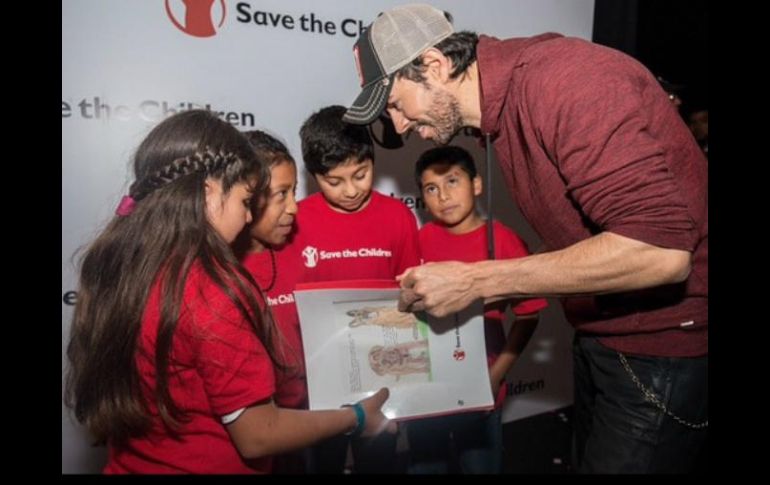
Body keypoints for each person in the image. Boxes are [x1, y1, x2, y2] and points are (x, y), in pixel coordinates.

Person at [342, 4, 707, 474]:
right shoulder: (505, 109)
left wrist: (477, 281)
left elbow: (659, 252)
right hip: (606, 337)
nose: (398, 126)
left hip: (663, 351)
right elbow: (586, 237)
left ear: (434, 65)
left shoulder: (567, 81)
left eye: (395, 104)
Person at [64, 110, 391, 474]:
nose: (249, 217)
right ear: (209, 192)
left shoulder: (124, 263)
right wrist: (356, 417)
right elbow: (258, 435)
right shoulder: (207, 289)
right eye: (245, 200)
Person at [406, 145, 547, 474]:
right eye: (431, 188)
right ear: (422, 197)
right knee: (426, 465)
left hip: (481, 386)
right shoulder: (419, 240)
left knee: (480, 465)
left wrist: (495, 376)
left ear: (478, 184)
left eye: (453, 181)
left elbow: (528, 315)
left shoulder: (504, 241)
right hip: (429, 388)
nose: (443, 195)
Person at [295, 104, 421, 473]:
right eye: (334, 181)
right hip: (316, 375)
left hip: (381, 370)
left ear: (372, 161)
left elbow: (410, 297)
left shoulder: (397, 216)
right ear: (313, 175)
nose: (350, 190)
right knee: (323, 461)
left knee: (379, 462)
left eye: (361, 174)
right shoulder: (295, 220)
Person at [234, 130, 307, 473]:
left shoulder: (301, 251)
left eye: (294, 192)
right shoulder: (216, 273)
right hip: (242, 441)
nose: (293, 207)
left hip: (300, 424)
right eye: (281, 194)